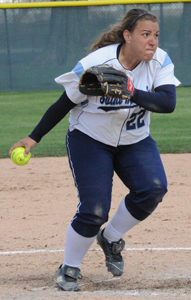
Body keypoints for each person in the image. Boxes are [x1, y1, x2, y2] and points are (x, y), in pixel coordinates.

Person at [9, 8, 180, 292]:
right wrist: (33, 137)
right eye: (145, 34)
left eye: (156, 35)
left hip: (134, 141)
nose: (153, 41)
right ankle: (69, 266)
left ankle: (110, 238)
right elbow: (64, 103)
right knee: (94, 210)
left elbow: (167, 103)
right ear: (127, 36)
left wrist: (129, 91)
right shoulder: (98, 65)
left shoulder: (159, 61)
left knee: (153, 188)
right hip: (90, 139)